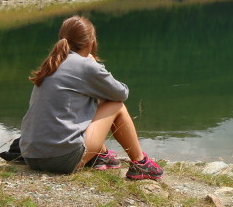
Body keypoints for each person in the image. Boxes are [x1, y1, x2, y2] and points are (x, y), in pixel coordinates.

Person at [19, 15, 163, 179]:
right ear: (90, 42)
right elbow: (121, 93)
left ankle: (101, 155)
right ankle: (141, 163)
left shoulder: (52, 63)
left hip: (30, 155)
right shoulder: (85, 65)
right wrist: (94, 64)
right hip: (61, 160)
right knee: (117, 105)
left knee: (91, 103)